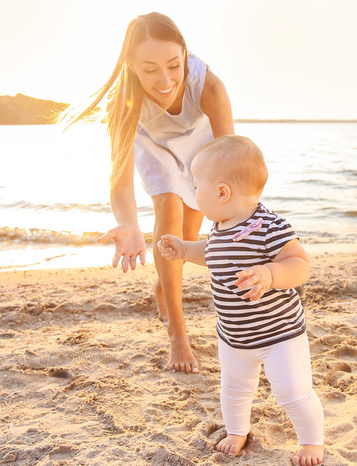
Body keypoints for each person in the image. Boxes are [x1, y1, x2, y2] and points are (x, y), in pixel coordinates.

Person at [58, 12, 234, 374]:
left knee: (184, 242)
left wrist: (238, 222)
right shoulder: (122, 104)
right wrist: (128, 223)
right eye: (150, 69)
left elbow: (230, 159)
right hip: (153, 144)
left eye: (173, 65)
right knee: (168, 207)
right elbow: (120, 180)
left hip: (200, 146)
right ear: (132, 66)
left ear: (185, 56)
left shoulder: (209, 87)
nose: (165, 80)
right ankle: (177, 333)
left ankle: (162, 285)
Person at [158, 135, 325, 465]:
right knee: (234, 389)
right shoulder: (220, 226)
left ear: (222, 192)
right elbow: (210, 254)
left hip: (281, 335)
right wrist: (183, 249)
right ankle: (237, 431)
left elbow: (300, 264)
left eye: (196, 187)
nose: (193, 194)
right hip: (234, 336)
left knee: (292, 391)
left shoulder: (268, 226)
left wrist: (270, 274)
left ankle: (312, 442)